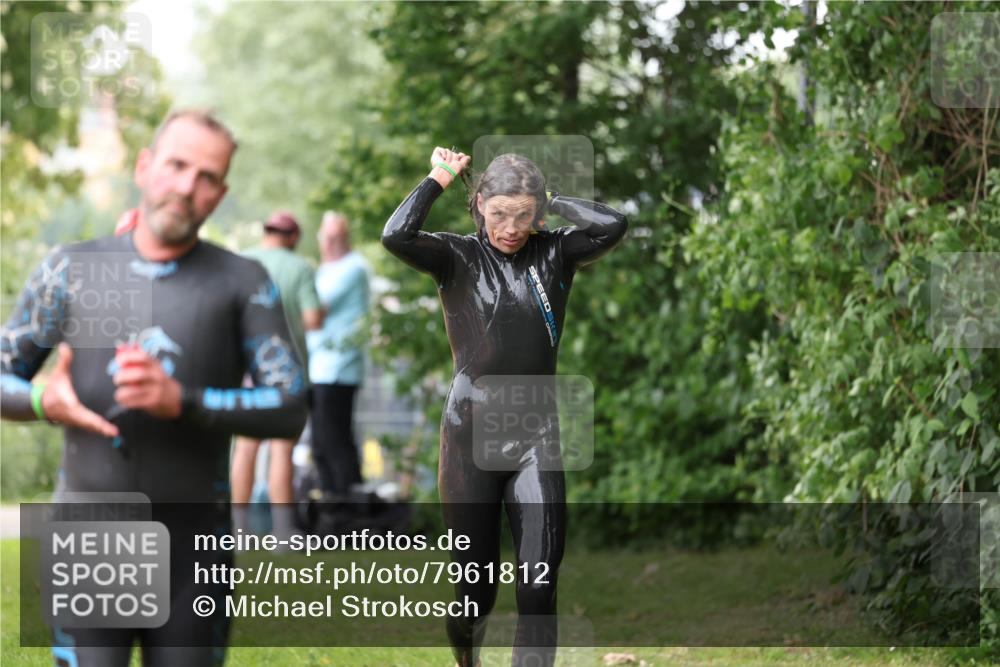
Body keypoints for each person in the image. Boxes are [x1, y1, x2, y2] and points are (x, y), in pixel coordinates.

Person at [0, 109, 308, 667]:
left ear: (220, 193)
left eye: (207, 176)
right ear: (145, 167)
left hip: (195, 552)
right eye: (177, 165)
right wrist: (48, 401)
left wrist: (184, 402)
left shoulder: (241, 282)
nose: (188, 187)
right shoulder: (73, 269)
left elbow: (290, 407)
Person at [381, 148, 627, 667]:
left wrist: (553, 202)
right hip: (469, 434)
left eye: (523, 215)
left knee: (539, 582)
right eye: (498, 215)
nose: (511, 228)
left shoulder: (556, 251)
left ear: (536, 214)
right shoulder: (455, 256)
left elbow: (613, 225)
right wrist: (437, 178)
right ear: (479, 207)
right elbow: (396, 236)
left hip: (536, 433)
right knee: (476, 592)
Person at [232, 211, 322, 540]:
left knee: (245, 448)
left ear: (265, 231)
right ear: (293, 237)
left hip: (246, 372)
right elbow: (313, 320)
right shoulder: (299, 268)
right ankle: (282, 535)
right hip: (289, 373)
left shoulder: (241, 262)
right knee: (282, 450)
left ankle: (239, 533)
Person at [306, 211, 371, 500]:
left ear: (346, 238)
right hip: (319, 367)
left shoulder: (353, 268)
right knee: (321, 443)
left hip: (338, 368)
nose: (330, 243)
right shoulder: (325, 270)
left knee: (334, 442)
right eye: (326, 237)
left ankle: (348, 509)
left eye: (336, 237)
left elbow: (313, 309)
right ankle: (334, 508)